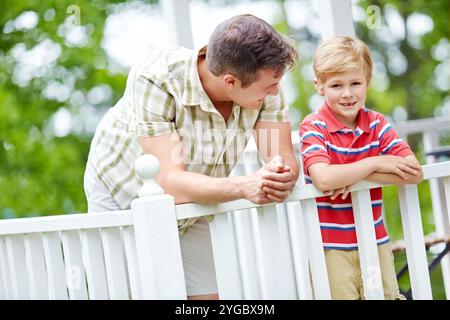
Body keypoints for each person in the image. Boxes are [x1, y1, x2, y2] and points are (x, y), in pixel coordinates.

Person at [84, 14, 299, 300]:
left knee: (205, 298)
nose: (275, 90)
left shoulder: (266, 83)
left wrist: (280, 175)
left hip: (196, 194)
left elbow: (280, 158)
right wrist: (244, 187)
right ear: (231, 81)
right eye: (268, 86)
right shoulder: (156, 78)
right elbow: (169, 182)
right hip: (120, 192)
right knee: (130, 292)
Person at [299, 35, 423, 300]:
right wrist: (375, 162)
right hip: (331, 248)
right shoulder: (313, 126)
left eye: (355, 83)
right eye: (336, 85)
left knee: (386, 295)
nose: (347, 93)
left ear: (367, 81)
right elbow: (323, 178)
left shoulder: (377, 124)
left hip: (375, 243)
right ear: (319, 86)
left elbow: (414, 172)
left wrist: (348, 174)